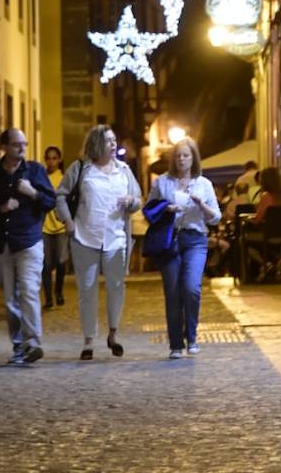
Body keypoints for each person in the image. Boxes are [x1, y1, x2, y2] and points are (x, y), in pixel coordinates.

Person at [55, 125, 141, 360]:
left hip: (116, 238)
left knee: (116, 287)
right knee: (87, 289)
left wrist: (131, 201)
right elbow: (60, 195)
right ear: (95, 144)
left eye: (114, 140)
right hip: (85, 236)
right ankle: (88, 340)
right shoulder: (81, 168)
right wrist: (68, 223)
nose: (113, 145)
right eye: (108, 141)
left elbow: (138, 199)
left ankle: (113, 334)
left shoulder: (124, 170)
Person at [0, 128, 55, 366]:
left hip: (29, 240)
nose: (21, 148)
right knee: (10, 298)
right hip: (2, 243)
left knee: (29, 290)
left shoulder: (35, 171)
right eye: (16, 144)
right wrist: (0, 208)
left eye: (24, 143)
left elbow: (50, 200)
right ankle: (18, 345)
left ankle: (33, 343)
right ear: (4, 147)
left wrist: (33, 193)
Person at [147, 136, 221, 358]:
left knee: (191, 288)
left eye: (186, 155)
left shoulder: (204, 184)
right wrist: (165, 209)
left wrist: (201, 204)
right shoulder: (162, 182)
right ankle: (176, 344)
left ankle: (193, 336)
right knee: (173, 292)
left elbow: (215, 218)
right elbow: (149, 210)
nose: (181, 159)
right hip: (170, 241)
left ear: (193, 158)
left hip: (195, 239)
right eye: (178, 155)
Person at [247, 166, 281, 280]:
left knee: (248, 243)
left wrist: (249, 219)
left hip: (269, 235)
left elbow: (257, 220)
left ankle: (266, 264)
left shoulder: (266, 197)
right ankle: (279, 260)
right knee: (268, 241)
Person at [41, 145, 67, 309]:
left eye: (54, 158)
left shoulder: (64, 179)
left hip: (61, 226)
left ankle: (59, 291)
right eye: (48, 158)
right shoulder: (41, 177)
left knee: (61, 262)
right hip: (44, 226)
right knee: (46, 264)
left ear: (59, 160)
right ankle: (48, 297)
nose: (51, 161)